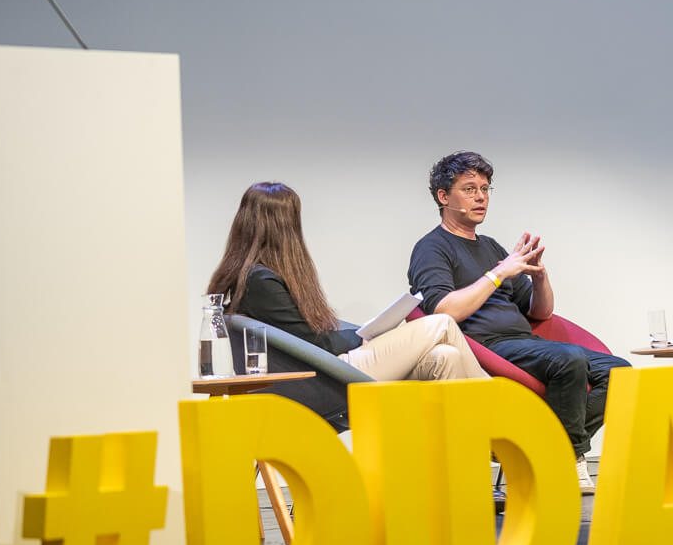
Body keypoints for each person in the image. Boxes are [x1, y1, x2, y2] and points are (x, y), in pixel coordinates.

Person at [407, 151, 629, 493]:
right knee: (569, 360)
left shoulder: (491, 247)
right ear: (443, 196)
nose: (481, 197)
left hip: (526, 343)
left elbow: (541, 313)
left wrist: (539, 276)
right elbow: (443, 311)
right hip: (485, 346)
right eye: (469, 189)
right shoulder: (431, 248)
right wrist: (498, 274)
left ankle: (542, 451)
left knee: (620, 372)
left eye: (485, 189)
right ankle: (570, 458)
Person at [207, 182, 488, 383]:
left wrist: (368, 332)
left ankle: (464, 444)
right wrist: (366, 335)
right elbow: (312, 342)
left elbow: (307, 333)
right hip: (329, 373)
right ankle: (500, 415)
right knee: (441, 323)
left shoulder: (257, 277)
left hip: (332, 363)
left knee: (445, 356)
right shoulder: (260, 281)